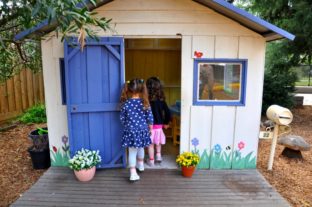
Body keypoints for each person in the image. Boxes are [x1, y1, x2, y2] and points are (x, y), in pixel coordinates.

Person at [120, 78, 154, 181]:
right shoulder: (145, 103)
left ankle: (133, 172)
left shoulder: (126, 104)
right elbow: (150, 118)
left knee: (132, 151)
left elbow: (122, 118)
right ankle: (140, 164)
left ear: (129, 89)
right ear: (141, 89)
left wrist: (127, 126)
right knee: (141, 148)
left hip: (131, 131)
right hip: (143, 130)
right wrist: (150, 128)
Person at [146, 77, 171, 166]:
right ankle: (159, 156)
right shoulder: (161, 100)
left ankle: (151, 161)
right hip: (159, 125)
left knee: (151, 144)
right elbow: (168, 112)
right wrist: (166, 122)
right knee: (158, 142)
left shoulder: (146, 101)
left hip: (149, 125)